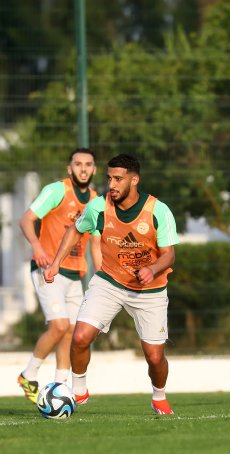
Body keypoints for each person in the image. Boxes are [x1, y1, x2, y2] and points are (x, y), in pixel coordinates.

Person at [43, 153, 179, 415]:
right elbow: (75, 230)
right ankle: (79, 391)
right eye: (109, 178)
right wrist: (55, 262)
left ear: (134, 180)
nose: (112, 184)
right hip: (110, 282)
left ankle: (159, 396)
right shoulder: (98, 207)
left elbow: (169, 254)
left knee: (154, 357)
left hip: (150, 291)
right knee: (80, 336)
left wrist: (152, 268)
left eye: (119, 179)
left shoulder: (158, 211)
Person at [17, 148, 102, 403]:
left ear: (94, 169)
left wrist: (101, 278)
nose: (83, 169)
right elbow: (26, 219)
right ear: (70, 168)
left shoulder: (97, 201)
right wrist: (38, 247)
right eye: (78, 164)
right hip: (48, 269)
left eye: (88, 164)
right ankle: (28, 375)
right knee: (59, 325)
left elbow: (96, 243)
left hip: (76, 274)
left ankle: (59, 388)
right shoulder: (56, 191)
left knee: (73, 332)